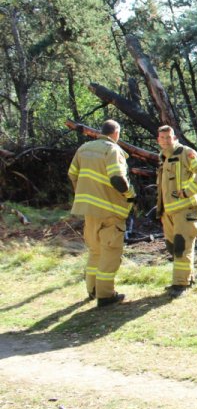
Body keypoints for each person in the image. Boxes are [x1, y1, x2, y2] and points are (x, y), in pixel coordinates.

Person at [68, 119, 135, 308]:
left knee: (95, 251)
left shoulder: (84, 149)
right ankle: (105, 295)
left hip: (89, 210)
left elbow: (72, 174)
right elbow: (117, 178)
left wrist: (83, 193)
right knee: (111, 252)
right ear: (116, 133)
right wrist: (131, 195)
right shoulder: (112, 150)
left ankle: (92, 290)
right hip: (110, 210)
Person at [156, 125, 197, 297]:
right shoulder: (163, 158)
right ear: (158, 140)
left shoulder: (185, 153)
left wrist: (188, 191)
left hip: (185, 209)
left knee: (182, 245)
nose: (166, 140)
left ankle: (180, 285)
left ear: (175, 137)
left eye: (168, 137)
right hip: (169, 212)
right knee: (172, 246)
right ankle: (187, 278)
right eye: (162, 137)